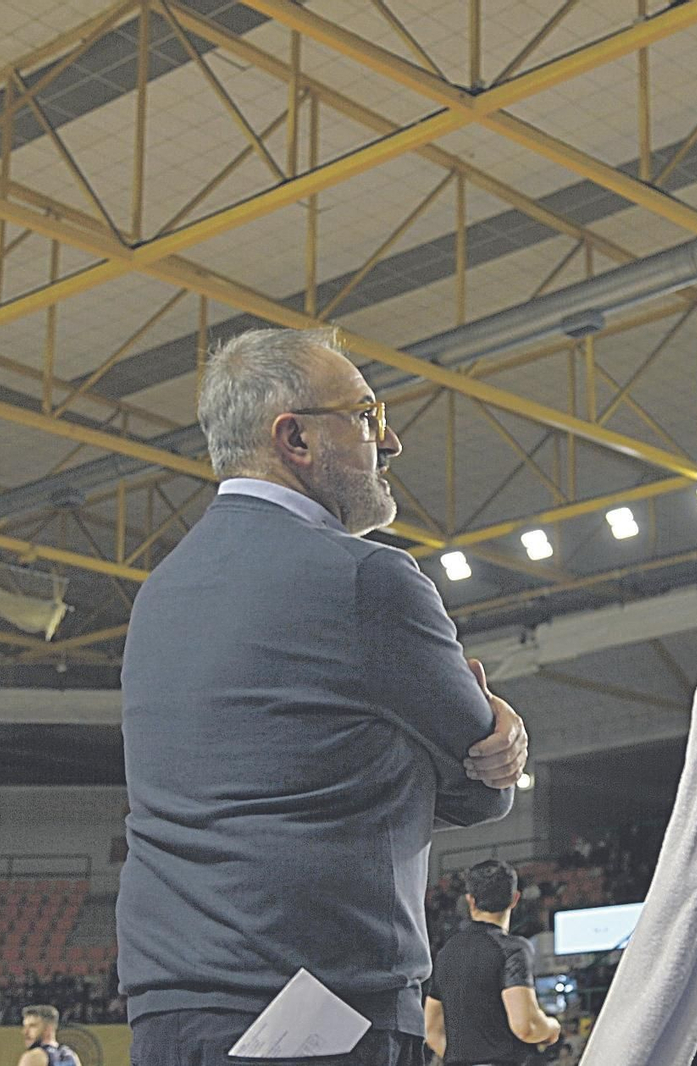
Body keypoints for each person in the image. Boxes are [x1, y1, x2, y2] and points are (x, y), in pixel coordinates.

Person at [118, 327, 529, 1066]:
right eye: (367, 415)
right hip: (323, 1012)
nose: (391, 440)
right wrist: (488, 732)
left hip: (170, 1011)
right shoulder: (367, 580)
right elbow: (480, 796)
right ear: (295, 439)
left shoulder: (159, 593)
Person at [424, 859, 559, 1064]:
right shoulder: (513, 950)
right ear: (514, 899)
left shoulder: (446, 953)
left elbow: (432, 1031)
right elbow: (525, 1027)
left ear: (471, 901)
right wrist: (551, 1028)